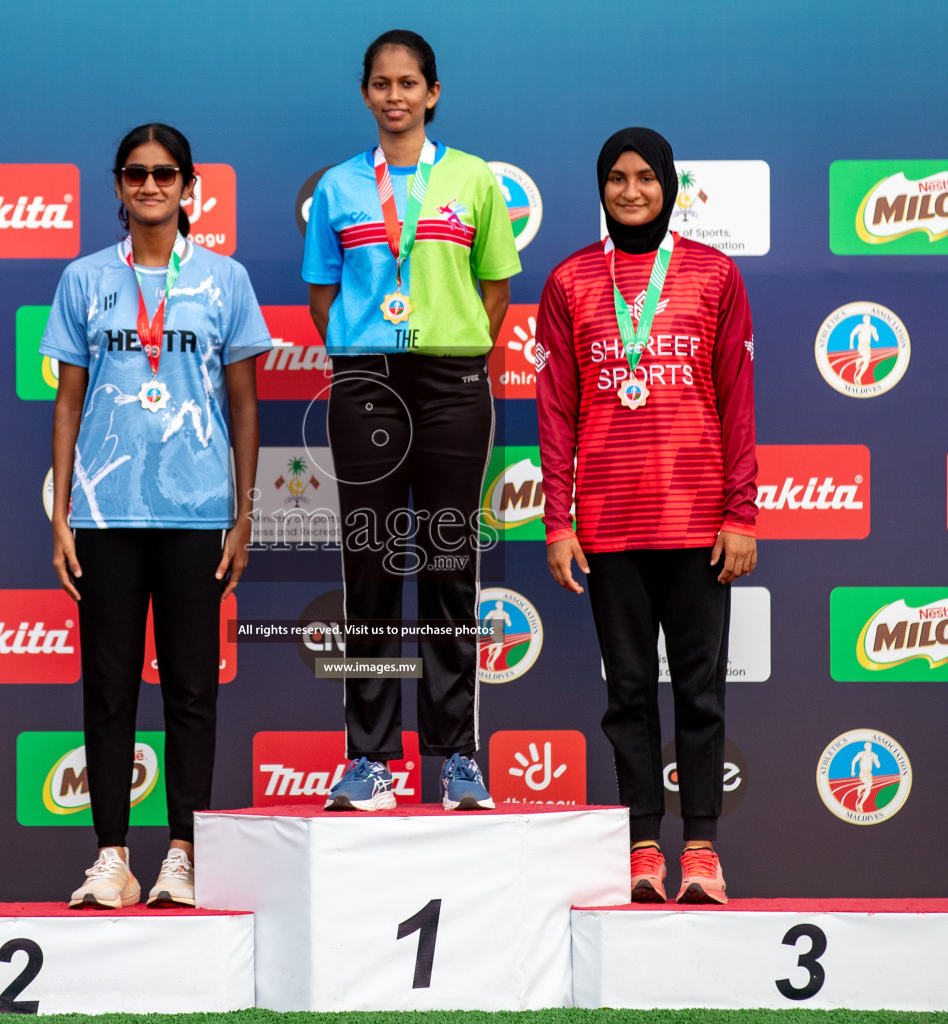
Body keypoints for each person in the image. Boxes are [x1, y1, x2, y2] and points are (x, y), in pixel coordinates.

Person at [44, 123, 272, 909]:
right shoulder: (83, 280)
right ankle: (111, 856)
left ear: (187, 184)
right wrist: (63, 515)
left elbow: (244, 404)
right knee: (107, 688)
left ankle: (182, 853)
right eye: (136, 173)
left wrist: (244, 514)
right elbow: (68, 401)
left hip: (197, 509)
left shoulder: (223, 280)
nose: (150, 185)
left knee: (189, 690)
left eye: (165, 173)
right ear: (117, 184)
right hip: (105, 515)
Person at [536, 127, 756, 904]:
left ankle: (700, 851)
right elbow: (556, 410)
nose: (630, 191)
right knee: (628, 693)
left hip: (699, 522)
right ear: (600, 188)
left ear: (671, 186)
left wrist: (743, 512)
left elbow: (737, 399)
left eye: (644, 178)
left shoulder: (714, 275)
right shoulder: (568, 282)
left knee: (700, 693)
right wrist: (557, 525)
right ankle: (642, 851)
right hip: (608, 524)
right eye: (616, 179)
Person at [302, 29, 521, 812]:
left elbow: (494, 286)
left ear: (432, 93)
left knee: (448, 564)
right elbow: (323, 294)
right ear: (366, 94)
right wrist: (367, 344)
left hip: (452, 380)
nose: (395, 96)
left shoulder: (472, 180)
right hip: (366, 380)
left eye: (409, 83)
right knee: (369, 566)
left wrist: (453, 344)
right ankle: (370, 760)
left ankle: (456, 755)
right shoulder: (337, 186)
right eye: (381, 84)